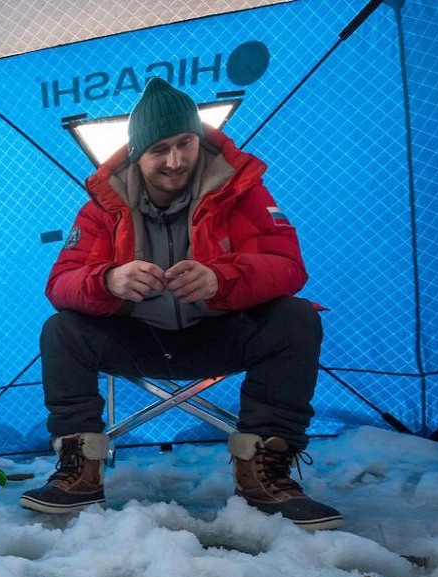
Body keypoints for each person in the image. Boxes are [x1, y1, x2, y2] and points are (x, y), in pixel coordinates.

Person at [19, 77, 342, 532]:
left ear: (198, 139)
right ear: (137, 153)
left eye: (185, 144)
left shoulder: (240, 190)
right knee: (63, 329)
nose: (174, 161)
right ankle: (80, 469)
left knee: (296, 317)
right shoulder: (102, 206)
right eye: (158, 150)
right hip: (138, 339)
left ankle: (264, 472)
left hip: (220, 334)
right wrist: (109, 280)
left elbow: (287, 266)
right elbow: (60, 284)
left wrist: (221, 278)